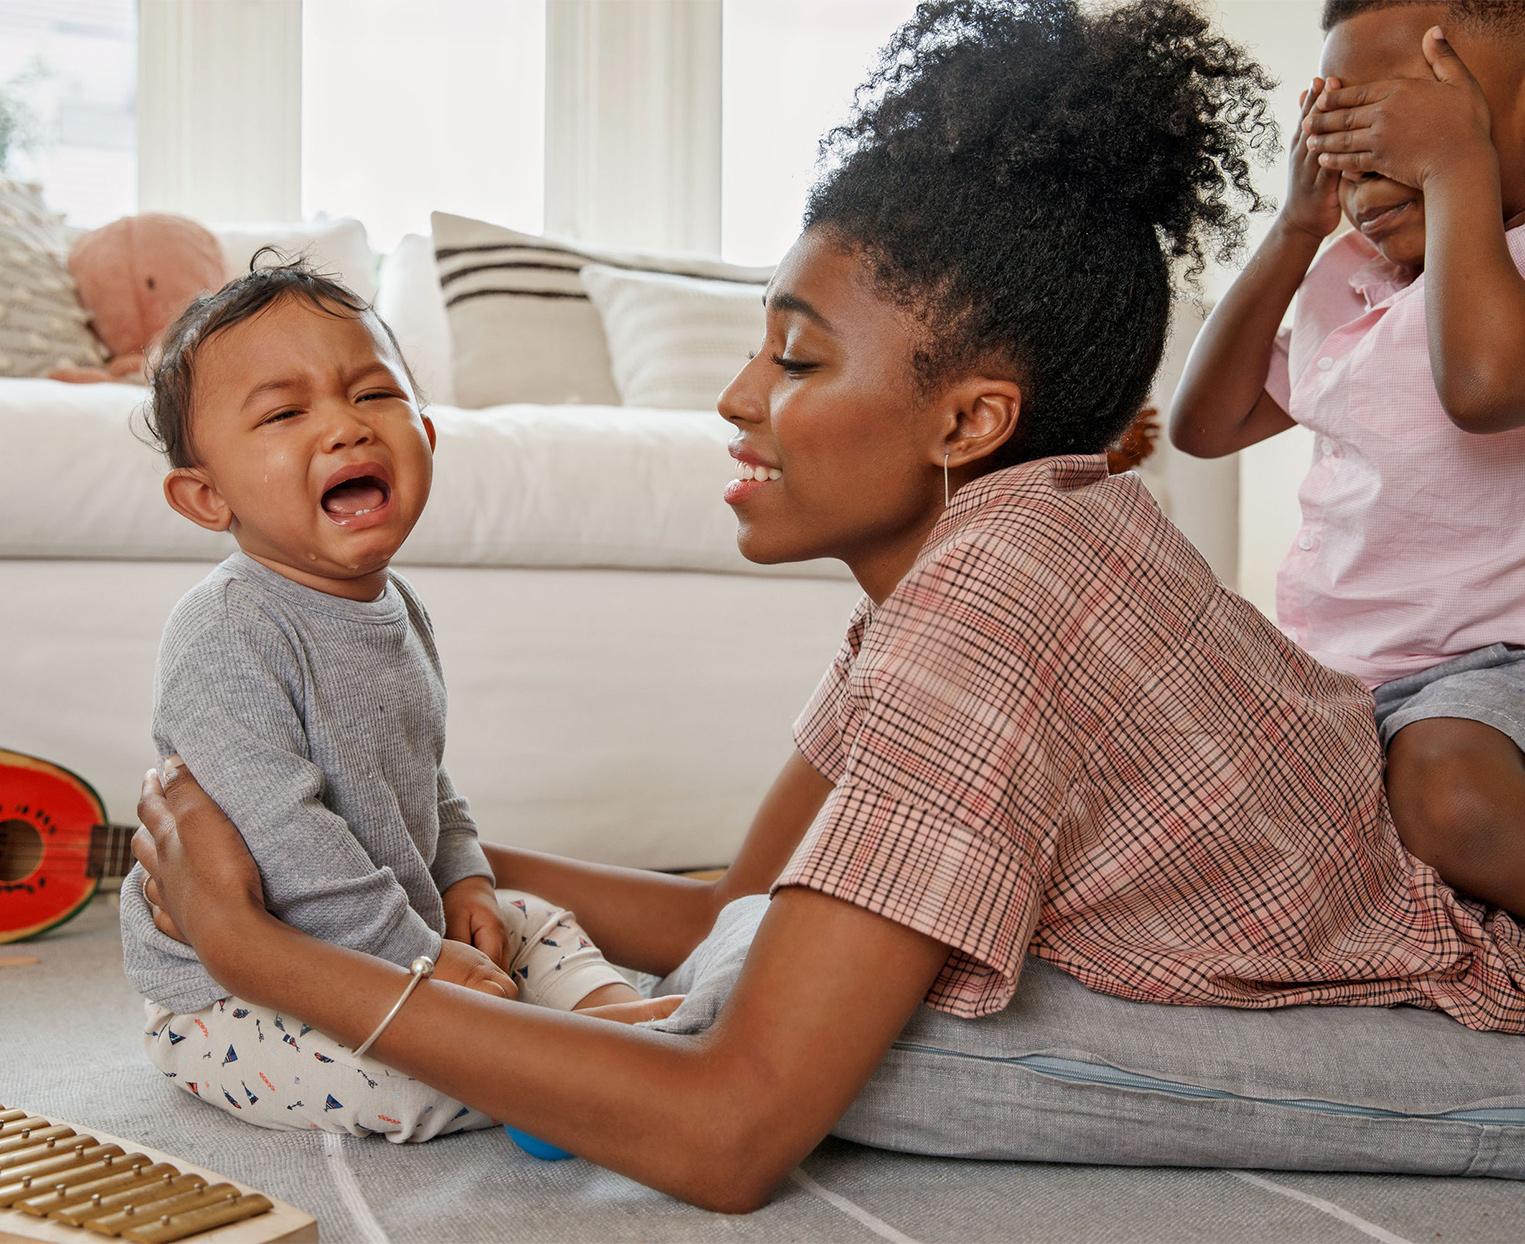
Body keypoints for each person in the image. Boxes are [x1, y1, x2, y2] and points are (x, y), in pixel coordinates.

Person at [131, 0, 1525, 1211]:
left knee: (808, 1039)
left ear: (971, 419)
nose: (738, 398)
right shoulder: (1020, 534)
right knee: (764, 945)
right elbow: (749, 895)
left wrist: (266, 950)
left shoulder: (993, 609)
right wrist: (445, 870)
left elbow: (730, 1133)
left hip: (1453, 1036)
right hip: (1358, 947)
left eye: (795, 359)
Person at [120, 262, 676, 1141]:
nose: (344, 427)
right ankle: (556, 1075)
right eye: (283, 413)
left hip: (398, 926)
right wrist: (413, 961)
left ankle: (624, 1025)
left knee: (529, 919)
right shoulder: (224, 633)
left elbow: (427, 777)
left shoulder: (398, 607)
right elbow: (288, 844)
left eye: (373, 395)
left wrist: (463, 883)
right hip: (240, 998)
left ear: (423, 431)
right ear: (206, 496)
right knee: (389, 1078)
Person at [1169, 1, 1525, 916]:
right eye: (1344, 142)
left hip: (1493, 669)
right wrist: (1295, 228)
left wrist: (1456, 169)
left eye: (1408, 128)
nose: (1367, 179)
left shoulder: (1503, 273)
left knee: (1448, 795)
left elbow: (1484, 388)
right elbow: (1205, 425)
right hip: (1334, 676)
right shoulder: (1351, 275)